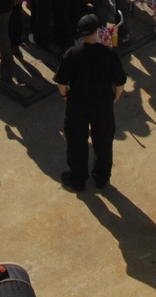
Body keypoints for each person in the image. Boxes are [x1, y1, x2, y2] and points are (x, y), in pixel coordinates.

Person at [54, 12, 127, 191]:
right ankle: (102, 178)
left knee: (76, 141)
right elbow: (120, 83)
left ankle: (78, 179)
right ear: (96, 31)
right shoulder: (109, 53)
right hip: (102, 104)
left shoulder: (72, 54)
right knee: (103, 142)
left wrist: (65, 97)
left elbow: (61, 83)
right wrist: (114, 98)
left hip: (77, 104)